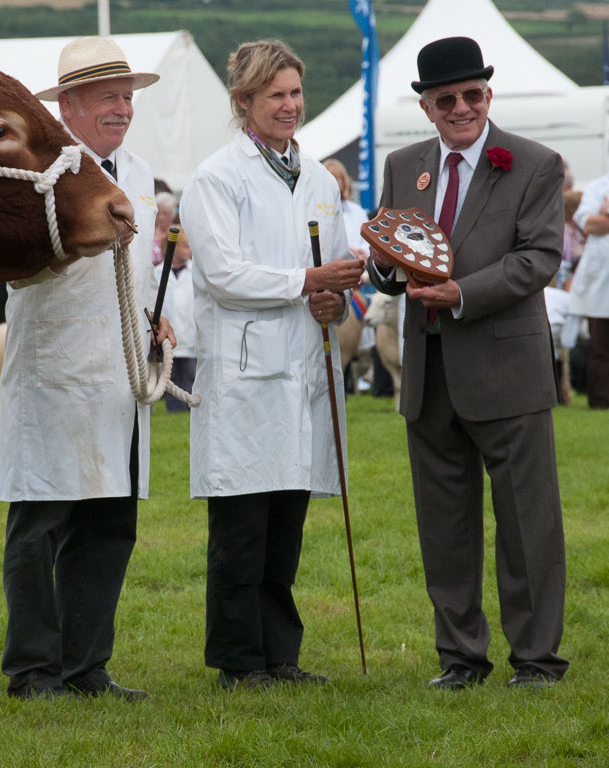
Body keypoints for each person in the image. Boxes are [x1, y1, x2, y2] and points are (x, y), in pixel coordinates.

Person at [368, 36, 568, 689]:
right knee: (444, 526)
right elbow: (391, 252)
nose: (461, 108)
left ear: (488, 94)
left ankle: (537, 659)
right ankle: (460, 657)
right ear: (427, 106)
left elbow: (539, 259)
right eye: (446, 99)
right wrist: (380, 265)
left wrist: (462, 294)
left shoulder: (535, 164)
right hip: (428, 373)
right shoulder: (404, 165)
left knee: (527, 524)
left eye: (472, 95)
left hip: (508, 372)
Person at [180, 39, 363, 689]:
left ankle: (280, 655)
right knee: (242, 525)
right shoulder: (214, 178)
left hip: (303, 372)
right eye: (275, 95)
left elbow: (334, 269)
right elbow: (225, 274)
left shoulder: (317, 179)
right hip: (245, 374)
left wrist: (330, 299)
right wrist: (308, 278)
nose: (290, 106)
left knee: (286, 519)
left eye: (294, 93)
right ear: (243, 103)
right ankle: (238, 660)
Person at [0, 36, 172, 701]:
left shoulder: (140, 172)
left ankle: (87, 665)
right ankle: (34, 669)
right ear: (67, 105)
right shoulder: (37, 173)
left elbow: (140, 271)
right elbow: (15, 270)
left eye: (127, 96)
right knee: (41, 522)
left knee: (109, 523)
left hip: (119, 374)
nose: (122, 108)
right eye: (107, 97)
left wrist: (158, 319)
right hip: (56, 369)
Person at [568, 170, 609, 409]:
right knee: (601, 345)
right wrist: (598, 217)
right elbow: (588, 224)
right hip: (600, 280)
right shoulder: (597, 186)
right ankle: (601, 401)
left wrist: (605, 213)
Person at [160, 227, 197, 412]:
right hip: (169, 340)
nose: (189, 251)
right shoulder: (158, 273)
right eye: (186, 247)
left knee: (190, 375)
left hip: (190, 336)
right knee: (171, 377)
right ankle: (173, 410)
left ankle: (191, 408)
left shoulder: (196, 273)